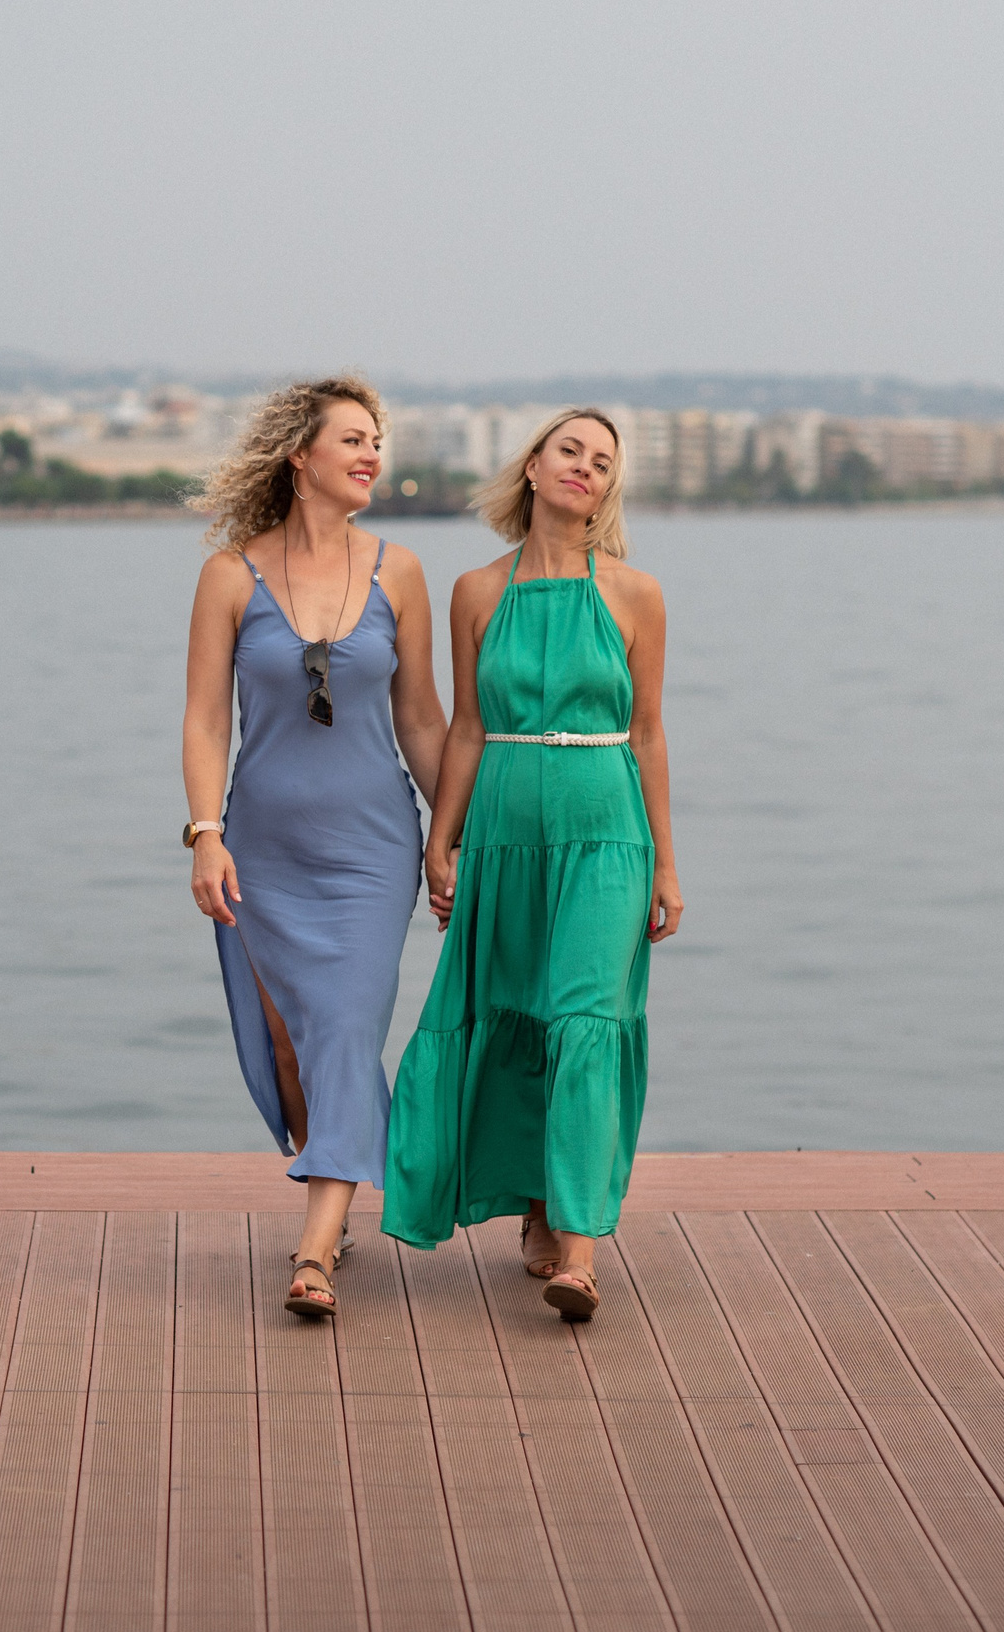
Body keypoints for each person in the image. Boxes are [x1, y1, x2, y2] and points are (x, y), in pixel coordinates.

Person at [381, 407, 682, 1321]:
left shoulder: (637, 593)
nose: (584, 468)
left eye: (602, 460)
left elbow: (650, 733)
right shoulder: (476, 590)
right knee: (514, 1015)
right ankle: (541, 1205)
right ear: (534, 465)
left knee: (586, 1018)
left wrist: (667, 863)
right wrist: (444, 836)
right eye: (570, 451)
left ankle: (580, 1249)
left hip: (605, 830)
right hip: (506, 828)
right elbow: (467, 725)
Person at [181, 377, 447, 1320]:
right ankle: (333, 1169)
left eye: (378, 441)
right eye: (354, 440)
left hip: (374, 849)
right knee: (292, 1047)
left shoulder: (400, 572)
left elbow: (422, 723)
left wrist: (449, 831)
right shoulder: (229, 575)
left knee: (344, 1025)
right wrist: (204, 834)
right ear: (302, 456)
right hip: (262, 845)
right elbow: (207, 719)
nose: (373, 454)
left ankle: (316, 1249)